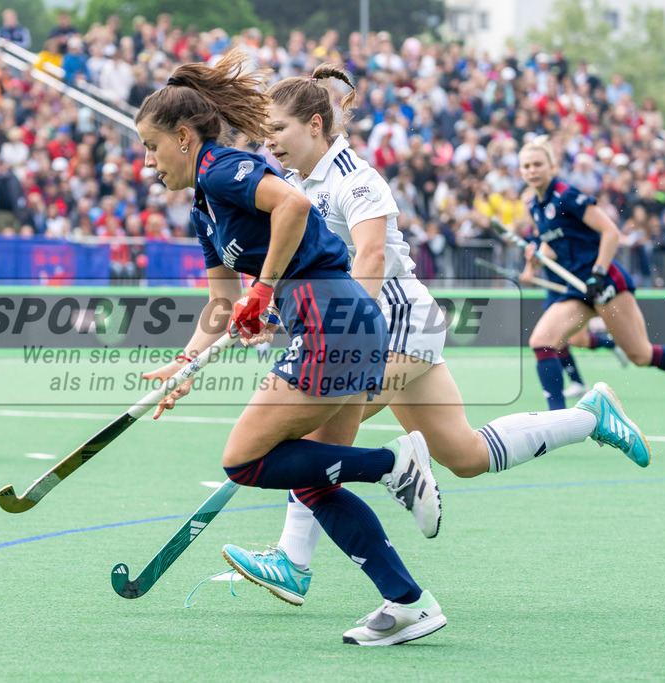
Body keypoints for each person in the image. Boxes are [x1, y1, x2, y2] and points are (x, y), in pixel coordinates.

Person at [220, 66, 651, 613]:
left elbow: (370, 257)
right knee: (466, 455)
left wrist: (342, 333)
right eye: (265, 132)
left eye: (278, 129)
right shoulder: (299, 186)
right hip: (387, 327)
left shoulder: (356, 178)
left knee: (320, 432)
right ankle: (591, 416)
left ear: (314, 123)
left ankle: (293, 560)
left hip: (396, 323)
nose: (269, 142)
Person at [136, 49, 446, 647]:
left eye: (152, 147)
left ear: (182, 137)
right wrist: (184, 365)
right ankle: (409, 602)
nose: (148, 163)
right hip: (340, 325)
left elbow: (296, 205)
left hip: (332, 323)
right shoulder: (205, 212)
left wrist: (266, 288)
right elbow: (222, 306)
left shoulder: (221, 169)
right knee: (313, 479)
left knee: (244, 461)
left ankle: (395, 464)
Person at [519, 135, 665, 410]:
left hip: (605, 282)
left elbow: (611, 231)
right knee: (542, 341)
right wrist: (534, 260)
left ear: (551, 166)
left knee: (640, 354)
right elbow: (553, 245)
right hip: (577, 288)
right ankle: (558, 420)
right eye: (526, 166)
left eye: (537, 164)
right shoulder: (535, 206)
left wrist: (598, 273)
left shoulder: (567, 196)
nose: (532, 171)